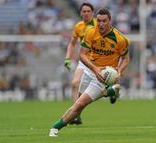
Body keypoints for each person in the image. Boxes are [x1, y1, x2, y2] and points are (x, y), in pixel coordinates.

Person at [49, 8, 130, 137]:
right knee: (78, 104)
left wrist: (119, 70)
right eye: (99, 21)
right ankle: (112, 91)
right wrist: (95, 69)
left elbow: (126, 58)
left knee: (81, 103)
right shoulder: (91, 32)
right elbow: (82, 55)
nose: (101, 24)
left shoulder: (120, 39)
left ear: (110, 21)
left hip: (104, 77)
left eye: (104, 21)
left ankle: (55, 128)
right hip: (90, 70)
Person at [64, 2, 97, 125]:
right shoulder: (78, 26)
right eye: (84, 11)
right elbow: (72, 43)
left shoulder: (99, 25)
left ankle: (113, 92)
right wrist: (68, 58)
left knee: (105, 86)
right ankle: (76, 116)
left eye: (88, 11)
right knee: (74, 84)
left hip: (97, 60)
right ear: (80, 13)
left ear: (92, 13)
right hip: (84, 60)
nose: (86, 13)